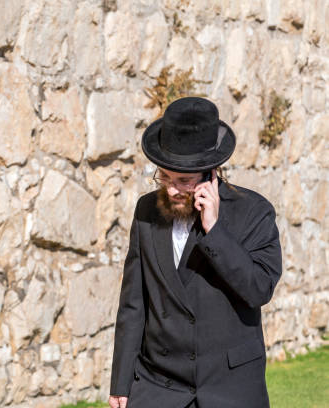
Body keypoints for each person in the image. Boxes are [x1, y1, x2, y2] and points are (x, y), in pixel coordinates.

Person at [108, 97, 282, 408]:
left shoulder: (254, 212)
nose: (172, 189)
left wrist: (215, 231)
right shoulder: (146, 211)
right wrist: (121, 382)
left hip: (230, 388)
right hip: (158, 387)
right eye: (164, 177)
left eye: (184, 181)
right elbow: (134, 303)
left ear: (211, 174)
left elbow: (258, 289)